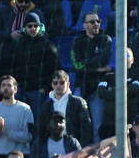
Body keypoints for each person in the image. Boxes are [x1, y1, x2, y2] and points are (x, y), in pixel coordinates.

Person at [71, 11, 112, 141]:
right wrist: (96, 68)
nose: (96, 24)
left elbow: (103, 60)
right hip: (81, 86)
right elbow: (76, 65)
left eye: (98, 21)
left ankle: (96, 157)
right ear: (84, 25)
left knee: (97, 126)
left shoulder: (106, 39)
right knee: (75, 124)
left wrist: (88, 65)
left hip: (98, 88)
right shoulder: (77, 41)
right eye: (92, 21)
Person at [38, 70, 92, 147]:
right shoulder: (46, 106)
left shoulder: (78, 102)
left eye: (62, 82)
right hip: (52, 146)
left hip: (73, 146)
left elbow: (86, 129)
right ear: (52, 85)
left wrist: (81, 149)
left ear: (68, 84)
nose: (58, 85)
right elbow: (42, 130)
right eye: (55, 83)